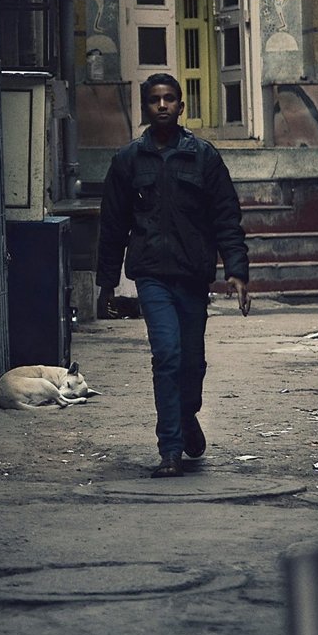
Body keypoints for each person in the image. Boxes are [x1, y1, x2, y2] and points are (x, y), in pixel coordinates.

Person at [96, 72, 251, 479]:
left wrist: (236, 271)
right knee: (167, 355)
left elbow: (226, 217)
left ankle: (186, 415)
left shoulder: (203, 156)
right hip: (151, 275)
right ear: (145, 107)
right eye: (154, 100)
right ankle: (170, 448)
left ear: (182, 106)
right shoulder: (128, 160)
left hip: (192, 275)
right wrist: (107, 281)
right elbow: (112, 224)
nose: (162, 105)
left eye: (169, 99)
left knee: (191, 362)